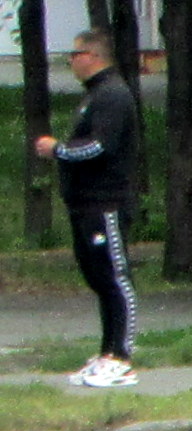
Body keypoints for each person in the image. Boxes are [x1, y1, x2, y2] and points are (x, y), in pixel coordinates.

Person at [34, 30, 139, 389]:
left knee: (114, 277)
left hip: (105, 201)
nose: (71, 61)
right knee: (97, 279)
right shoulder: (94, 96)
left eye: (75, 54)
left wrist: (58, 150)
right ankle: (107, 352)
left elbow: (98, 147)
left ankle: (123, 356)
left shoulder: (112, 95)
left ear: (92, 56)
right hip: (83, 203)